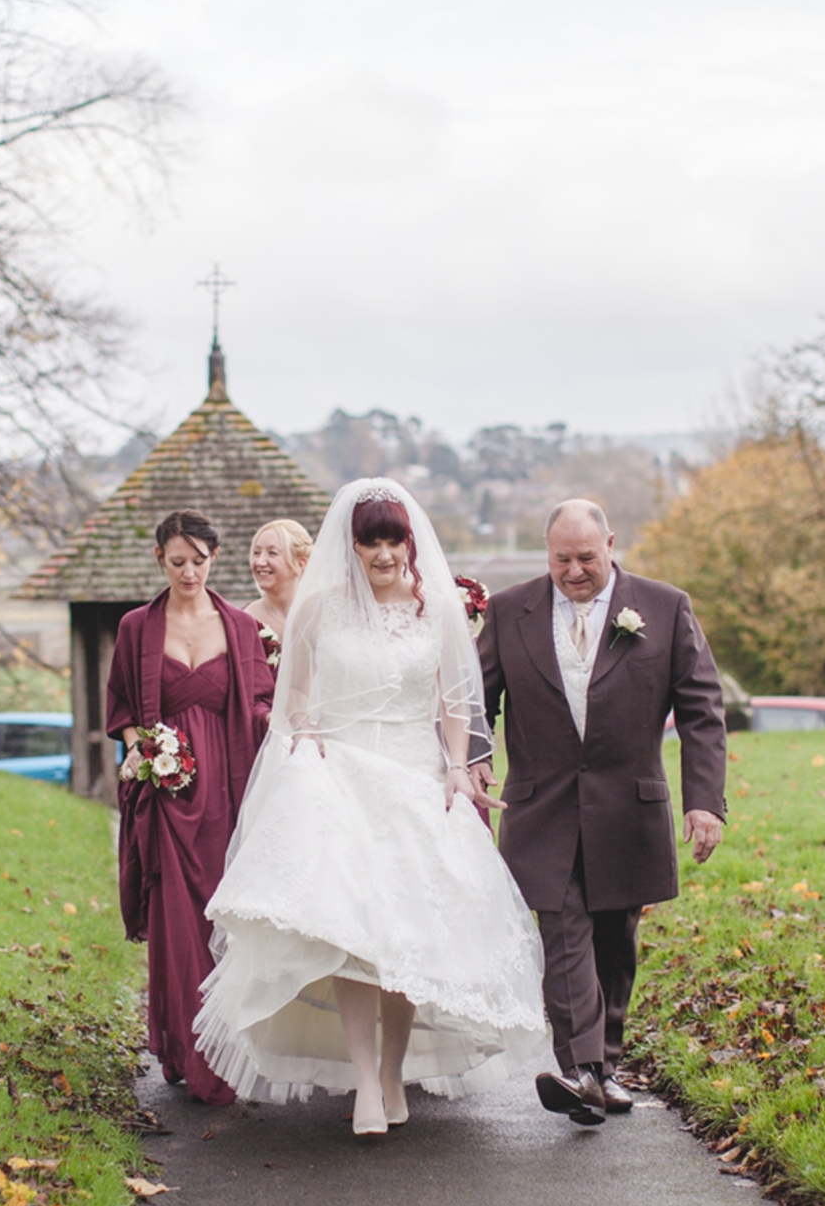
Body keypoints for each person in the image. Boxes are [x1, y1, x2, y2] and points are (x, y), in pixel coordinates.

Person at [195, 478, 550, 1137]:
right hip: (341, 781)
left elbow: (453, 700)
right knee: (350, 938)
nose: (384, 553)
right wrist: (304, 734)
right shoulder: (320, 608)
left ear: (408, 542)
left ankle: (392, 1070)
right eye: (371, 540)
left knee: (403, 939)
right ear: (352, 544)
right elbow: (294, 694)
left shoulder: (437, 609)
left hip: (415, 778)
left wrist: (454, 768)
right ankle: (364, 1079)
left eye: (394, 540)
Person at [473, 499, 727, 1124]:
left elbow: (701, 707)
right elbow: (476, 696)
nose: (575, 570)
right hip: (542, 806)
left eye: (587, 557)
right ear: (546, 551)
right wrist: (475, 754)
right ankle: (581, 1069)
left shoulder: (665, 607)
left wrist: (704, 802)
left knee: (616, 940)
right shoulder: (510, 611)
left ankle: (605, 1067)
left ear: (611, 543)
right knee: (562, 931)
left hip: (628, 806)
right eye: (562, 558)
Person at [107, 510, 275, 1103]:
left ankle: (228, 1050)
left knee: (222, 927)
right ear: (160, 560)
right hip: (167, 798)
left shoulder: (239, 627)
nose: (189, 572)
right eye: (177, 562)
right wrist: (146, 754)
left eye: (199, 562)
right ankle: (184, 1049)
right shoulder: (135, 628)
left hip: (227, 798)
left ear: (215, 557)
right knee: (176, 931)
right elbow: (123, 712)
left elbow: (259, 704)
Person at [241, 518, 313, 641]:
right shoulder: (244, 620)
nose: (260, 562)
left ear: (301, 564)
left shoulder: (318, 617)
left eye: (272, 553)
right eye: (257, 552)